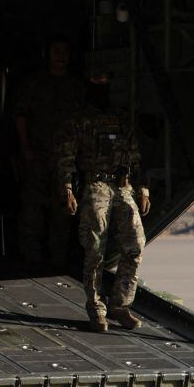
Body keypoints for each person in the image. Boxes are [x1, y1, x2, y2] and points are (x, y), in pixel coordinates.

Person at [56, 106, 148, 332]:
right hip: (96, 184)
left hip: (123, 186)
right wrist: (68, 188)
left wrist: (143, 189)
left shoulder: (123, 121)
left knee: (136, 244)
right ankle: (96, 308)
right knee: (95, 249)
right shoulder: (82, 121)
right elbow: (67, 156)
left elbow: (136, 158)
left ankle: (121, 305)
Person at [14, 35, 87, 266]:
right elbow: (20, 116)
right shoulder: (35, 83)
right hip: (37, 155)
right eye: (56, 51)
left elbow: (83, 122)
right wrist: (25, 147)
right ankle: (31, 259)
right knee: (33, 210)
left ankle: (58, 261)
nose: (61, 56)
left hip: (65, 160)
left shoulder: (75, 85)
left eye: (65, 51)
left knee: (63, 210)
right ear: (48, 54)